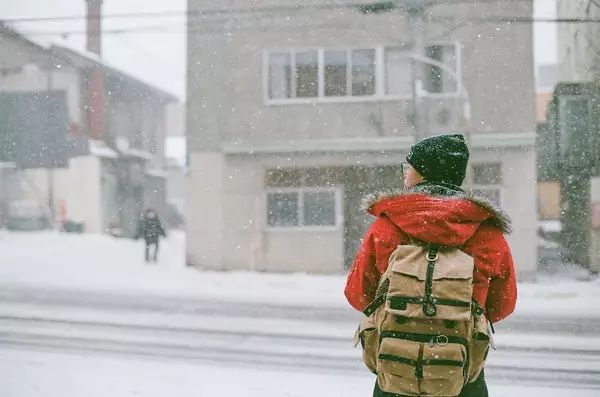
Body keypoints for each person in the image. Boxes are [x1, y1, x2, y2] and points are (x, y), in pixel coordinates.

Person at [344, 133, 517, 397]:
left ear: (423, 174)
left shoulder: (386, 227)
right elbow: (502, 305)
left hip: (395, 366)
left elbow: (358, 295)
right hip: (459, 369)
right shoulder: (487, 233)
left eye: (408, 167)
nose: (405, 174)